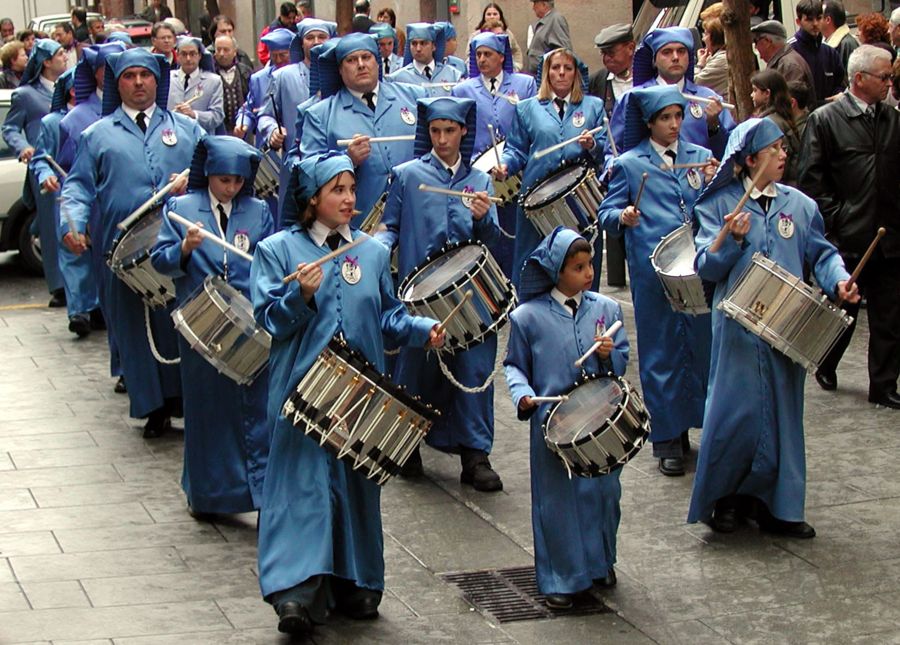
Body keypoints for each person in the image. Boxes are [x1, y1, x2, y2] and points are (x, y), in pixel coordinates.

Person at [250, 151, 443, 637]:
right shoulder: (277, 250)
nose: (349, 199)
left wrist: (423, 328)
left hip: (360, 391)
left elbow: (389, 318)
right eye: (337, 190)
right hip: (301, 391)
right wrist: (300, 297)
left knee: (356, 485)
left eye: (352, 189)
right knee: (303, 486)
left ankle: (357, 580)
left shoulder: (373, 252)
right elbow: (267, 320)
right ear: (312, 199)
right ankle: (296, 590)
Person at [688, 117, 858, 536]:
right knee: (734, 414)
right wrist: (732, 239)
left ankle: (775, 505)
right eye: (775, 149)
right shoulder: (716, 206)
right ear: (749, 160)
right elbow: (705, 267)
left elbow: (821, 252)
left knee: (783, 414)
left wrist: (838, 278)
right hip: (737, 328)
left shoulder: (800, 206)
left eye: (784, 148)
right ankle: (726, 500)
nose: (784, 155)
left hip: (787, 325)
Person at [61, 47, 205, 437]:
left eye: (145, 75)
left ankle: (185, 399)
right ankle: (152, 406)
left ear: (157, 81)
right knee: (135, 328)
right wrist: (72, 223)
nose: (138, 82)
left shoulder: (188, 130)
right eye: (129, 76)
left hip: (179, 245)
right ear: (116, 83)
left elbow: (220, 168)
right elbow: (77, 187)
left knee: (180, 320)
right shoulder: (97, 135)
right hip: (121, 251)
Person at [375, 96, 502, 489]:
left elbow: (492, 239)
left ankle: (475, 455)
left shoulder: (480, 181)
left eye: (450, 131)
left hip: (469, 295)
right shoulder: (407, 175)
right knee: (415, 366)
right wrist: (375, 248)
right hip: (418, 292)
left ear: (463, 131)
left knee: (473, 367)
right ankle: (407, 444)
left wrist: (483, 220)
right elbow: (389, 227)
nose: (442, 139)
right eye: (435, 131)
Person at [504, 226, 629, 609]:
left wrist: (609, 354)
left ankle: (599, 561)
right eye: (578, 267)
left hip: (599, 419)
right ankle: (561, 576)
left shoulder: (607, 310)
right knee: (557, 501)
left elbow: (620, 362)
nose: (589, 273)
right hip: (552, 423)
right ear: (557, 272)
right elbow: (514, 367)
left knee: (603, 494)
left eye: (590, 264)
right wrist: (523, 395)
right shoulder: (527, 318)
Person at [152, 136, 274, 516]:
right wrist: (184, 250)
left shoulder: (258, 211)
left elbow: (269, 261)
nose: (231, 188)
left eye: (237, 181)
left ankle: (253, 491)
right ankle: (207, 495)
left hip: (247, 320)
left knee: (251, 410)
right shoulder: (182, 208)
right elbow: (159, 261)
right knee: (207, 410)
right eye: (223, 180)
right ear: (208, 174)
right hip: (200, 324)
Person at [598, 85, 715, 477]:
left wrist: (717, 180)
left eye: (678, 116)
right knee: (661, 351)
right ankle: (666, 438)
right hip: (652, 271)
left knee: (699, 346)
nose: (674, 125)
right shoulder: (630, 164)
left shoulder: (700, 159)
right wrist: (623, 217)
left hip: (696, 266)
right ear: (650, 123)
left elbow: (716, 203)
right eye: (665, 118)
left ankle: (691, 424)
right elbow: (606, 213)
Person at [798, 45, 900, 409]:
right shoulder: (825, 120)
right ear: (860, 79)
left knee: (890, 316)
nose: (890, 83)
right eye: (884, 77)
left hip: (889, 235)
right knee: (841, 312)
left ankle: (884, 384)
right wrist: (836, 218)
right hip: (848, 236)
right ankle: (826, 360)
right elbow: (811, 178)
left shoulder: (892, 120)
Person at [495, 48, 608, 286]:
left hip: (581, 201)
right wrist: (505, 166)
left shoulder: (593, 106)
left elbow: (605, 150)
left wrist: (592, 145)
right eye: (555, 68)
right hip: (536, 201)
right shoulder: (526, 108)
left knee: (581, 263)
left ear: (576, 73)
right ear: (546, 73)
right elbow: (516, 149)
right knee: (532, 262)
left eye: (568, 68)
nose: (561, 73)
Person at [300, 32, 427, 226]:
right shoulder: (320, 115)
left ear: (377, 62)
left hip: (417, 216)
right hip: (359, 224)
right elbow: (308, 175)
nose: (361, 64)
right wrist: (347, 160)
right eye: (351, 60)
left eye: (366, 57)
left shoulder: (413, 97)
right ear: (340, 70)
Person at [452, 32, 535, 275]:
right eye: (478, 54)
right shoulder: (462, 90)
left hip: (517, 173)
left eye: (487, 54)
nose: (482, 59)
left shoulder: (524, 84)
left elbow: (531, 126)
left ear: (501, 57)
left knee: (516, 234)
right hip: (480, 175)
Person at [2, 38, 68, 307]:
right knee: (51, 227)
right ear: (46, 62)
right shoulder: (25, 95)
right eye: (60, 54)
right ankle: (58, 285)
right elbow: (9, 129)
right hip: (44, 166)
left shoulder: (69, 88)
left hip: (70, 164)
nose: (65, 57)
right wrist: (24, 147)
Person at [32, 68, 96, 337]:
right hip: (69, 192)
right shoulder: (52, 123)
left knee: (98, 253)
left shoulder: (96, 118)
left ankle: (98, 305)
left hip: (96, 193)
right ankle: (78, 310)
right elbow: (41, 158)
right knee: (73, 252)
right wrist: (47, 175)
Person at [611, 27, 736, 160]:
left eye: (681, 51)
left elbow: (730, 153)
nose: (675, 57)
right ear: (654, 60)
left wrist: (714, 126)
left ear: (690, 57)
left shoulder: (708, 99)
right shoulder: (633, 98)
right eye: (667, 52)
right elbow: (612, 151)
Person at [588, 23, 634, 289]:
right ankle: (617, 279)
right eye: (603, 54)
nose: (607, 59)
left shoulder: (644, 78)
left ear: (630, 49)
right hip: (611, 163)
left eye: (612, 52)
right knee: (613, 215)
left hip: (639, 160)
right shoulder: (598, 82)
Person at [234, 29, 292, 146]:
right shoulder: (259, 79)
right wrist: (242, 123)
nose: (278, 60)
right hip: (266, 148)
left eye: (283, 55)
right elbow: (248, 109)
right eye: (274, 56)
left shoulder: (301, 76)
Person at [750, 69, 801, 186]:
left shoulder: (769, 123)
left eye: (755, 90)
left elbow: (778, 161)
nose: (751, 95)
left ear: (767, 93)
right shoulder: (780, 117)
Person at [790, 0, 846, 103]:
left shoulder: (830, 53)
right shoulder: (790, 51)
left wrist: (839, 95)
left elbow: (840, 83)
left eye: (819, 18)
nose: (815, 24)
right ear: (798, 22)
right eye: (809, 19)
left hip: (829, 114)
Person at [387, 22, 462, 97]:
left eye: (423, 43)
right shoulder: (397, 79)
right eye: (414, 44)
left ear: (433, 46)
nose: (418, 49)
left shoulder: (453, 75)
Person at [167, 36, 224, 134]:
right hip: (172, 137)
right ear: (177, 56)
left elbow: (217, 116)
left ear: (200, 56)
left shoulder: (213, 81)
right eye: (184, 54)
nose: (188, 59)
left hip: (201, 139)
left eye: (192, 54)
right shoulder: (167, 79)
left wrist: (194, 114)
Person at [752, 20, 817, 104]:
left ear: (767, 41)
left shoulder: (789, 65)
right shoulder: (783, 62)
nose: (756, 47)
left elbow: (790, 104)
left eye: (756, 42)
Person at [212, 35, 252, 134]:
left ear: (235, 52)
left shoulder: (245, 72)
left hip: (243, 130)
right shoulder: (210, 74)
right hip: (219, 132)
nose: (221, 54)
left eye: (226, 50)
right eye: (218, 50)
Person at [471, 3, 523, 72]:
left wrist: (517, 66)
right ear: (484, 17)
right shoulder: (476, 36)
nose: (492, 17)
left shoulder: (508, 34)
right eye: (489, 14)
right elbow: (470, 56)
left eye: (495, 14)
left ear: (500, 16)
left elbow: (516, 51)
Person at [525, 0, 572, 75]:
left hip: (548, 75)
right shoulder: (546, 20)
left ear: (544, 4)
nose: (533, 8)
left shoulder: (556, 19)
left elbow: (563, 51)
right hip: (540, 74)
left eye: (535, 3)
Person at [696, 12, 729, 97]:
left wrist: (700, 64)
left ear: (715, 37)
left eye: (706, 34)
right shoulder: (717, 56)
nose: (703, 39)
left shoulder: (722, 59)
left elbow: (695, 83)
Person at [256, 2, 298, 68]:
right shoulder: (269, 31)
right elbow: (262, 53)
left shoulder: (298, 28)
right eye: (289, 18)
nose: (291, 21)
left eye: (293, 18)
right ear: (282, 16)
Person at [822, 0, 858, 71]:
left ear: (828, 20)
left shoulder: (847, 44)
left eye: (819, 17)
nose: (815, 22)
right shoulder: (826, 43)